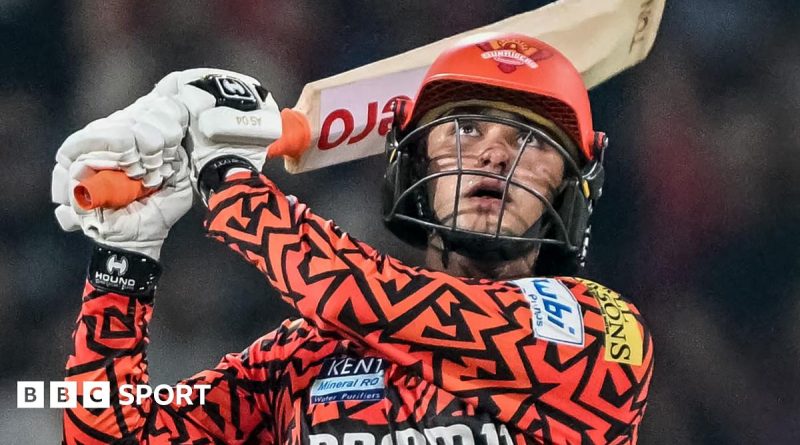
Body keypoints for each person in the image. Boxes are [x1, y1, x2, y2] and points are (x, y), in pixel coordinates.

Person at [53, 33, 653, 445]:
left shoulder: (601, 335)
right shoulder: (310, 353)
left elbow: (360, 297)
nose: (495, 155)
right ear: (414, 162)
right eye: (464, 128)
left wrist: (226, 174)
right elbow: (111, 433)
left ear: (572, 182)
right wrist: (125, 258)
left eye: (532, 141)